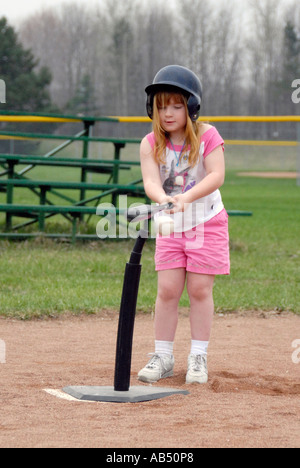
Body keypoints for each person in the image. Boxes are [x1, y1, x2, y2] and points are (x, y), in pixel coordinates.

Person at [138, 65, 230, 384]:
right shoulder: (150, 142)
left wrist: (187, 198)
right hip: (171, 223)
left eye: (177, 105)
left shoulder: (207, 135)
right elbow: (150, 181)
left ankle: (198, 357)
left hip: (207, 221)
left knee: (200, 289)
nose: (168, 113)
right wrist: (162, 198)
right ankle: (163, 356)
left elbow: (217, 175)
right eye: (162, 106)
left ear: (191, 107)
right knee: (167, 290)